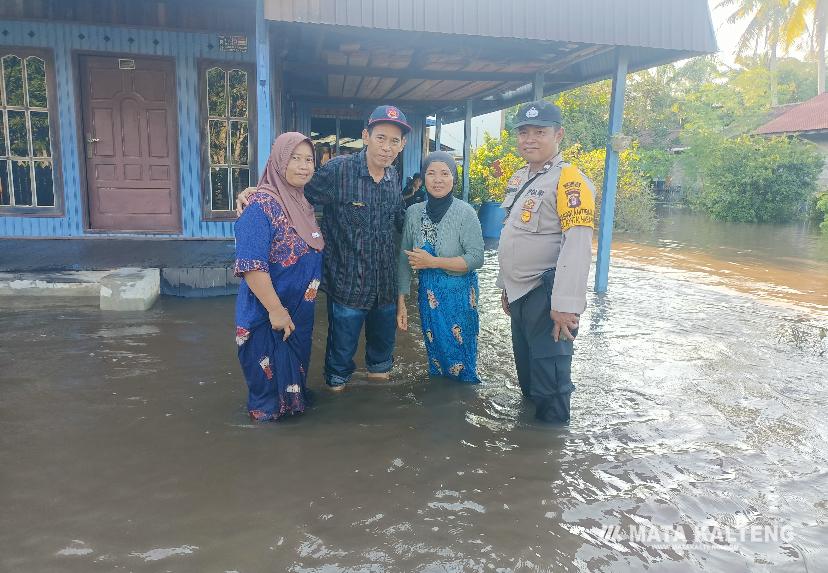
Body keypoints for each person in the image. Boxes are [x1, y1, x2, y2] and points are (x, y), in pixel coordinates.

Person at [238, 105, 409, 391]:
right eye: (381, 138)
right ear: (366, 136)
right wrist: (256, 192)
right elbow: (293, 188)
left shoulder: (394, 180)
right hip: (347, 289)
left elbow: (402, 223)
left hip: (385, 292)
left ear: (402, 145)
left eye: (395, 141)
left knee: (381, 366)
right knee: (338, 372)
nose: (387, 148)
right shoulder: (337, 171)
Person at [497, 100, 596, 424]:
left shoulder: (569, 180)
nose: (530, 139)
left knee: (551, 385)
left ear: (558, 135)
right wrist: (505, 288)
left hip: (547, 296)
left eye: (539, 132)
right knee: (528, 377)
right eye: (524, 132)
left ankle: (548, 458)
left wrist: (565, 305)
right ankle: (527, 448)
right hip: (520, 294)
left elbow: (578, 244)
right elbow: (513, 234)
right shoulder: (520, 178)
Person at [233, 132, 324, 422]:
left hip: (298, 317)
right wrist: (276, 311)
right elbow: (251, 266)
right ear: (278, 161)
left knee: (292, 391)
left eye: (308, 159)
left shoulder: (302, 203)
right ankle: (265, 458)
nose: (303, 166)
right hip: (269, 317)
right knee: (267, 401)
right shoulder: (259, 207)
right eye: (294, 158)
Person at [397, 152, 484, 382]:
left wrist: (433, 262)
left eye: (445, 173)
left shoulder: (466, 212)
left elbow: (476, 258)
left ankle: (462, 406)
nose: (438, 179)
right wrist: (401, 301)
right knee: (435, 357)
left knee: (463, 361)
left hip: (460, 295)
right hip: (429, 296)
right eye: (431, 173)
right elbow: (404, 257)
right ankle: (440, 405)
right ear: (423, 179)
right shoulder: (414, 213)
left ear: (453, 178)